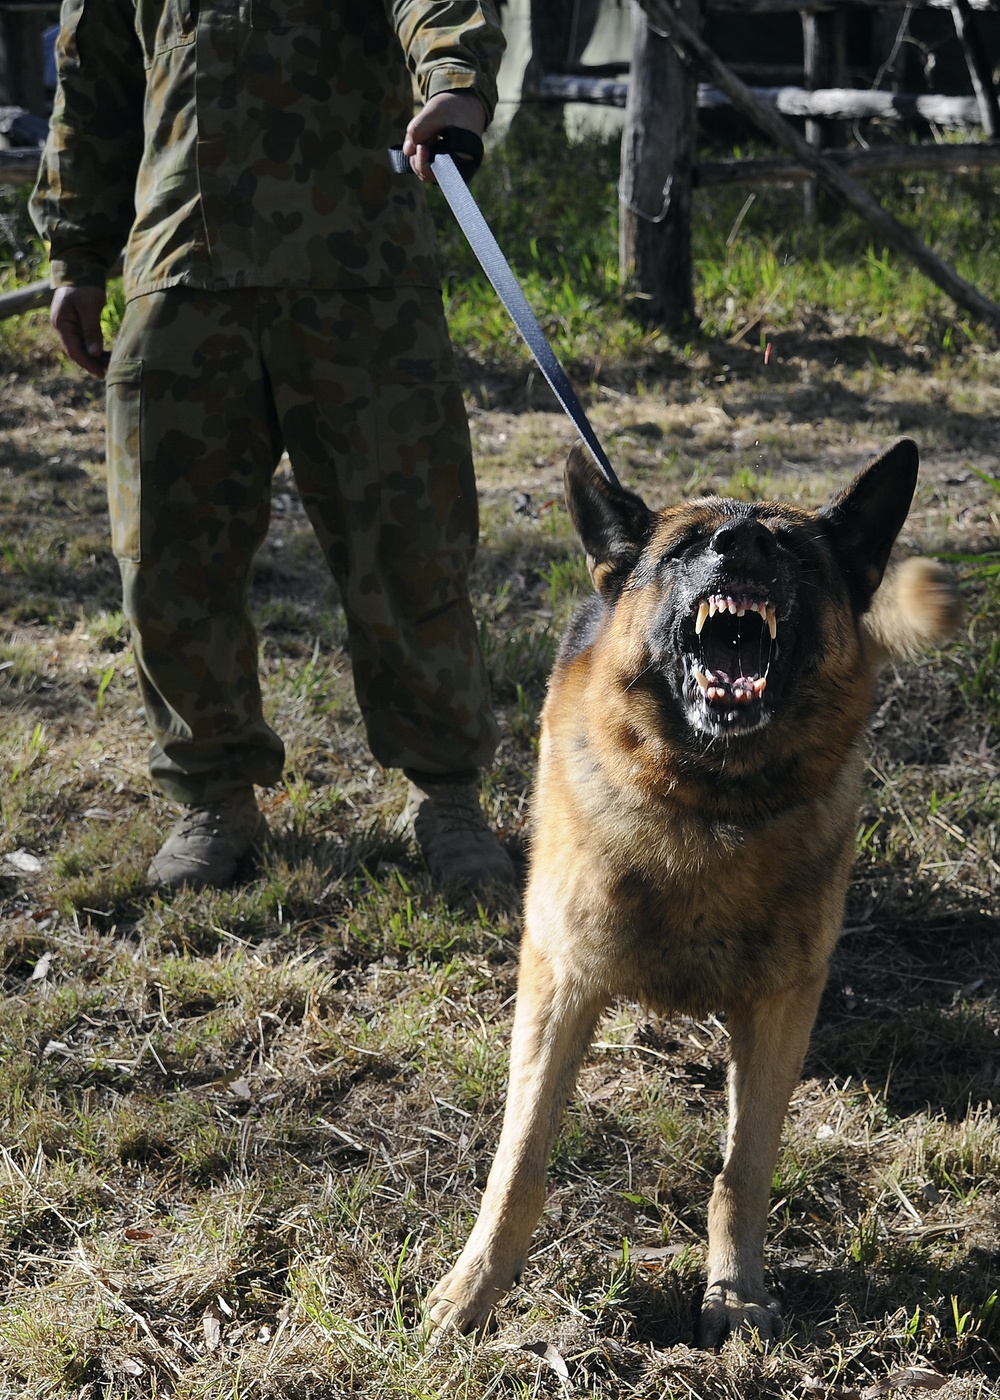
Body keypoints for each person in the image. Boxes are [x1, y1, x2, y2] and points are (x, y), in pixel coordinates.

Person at [31, 0, 515, 899]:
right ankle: (214, 793)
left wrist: (454, 85)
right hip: (181, 261)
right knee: (167, 558)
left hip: (360, 266)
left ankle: (447, 795)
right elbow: (93, 72)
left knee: (410, 547)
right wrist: (76, 248)